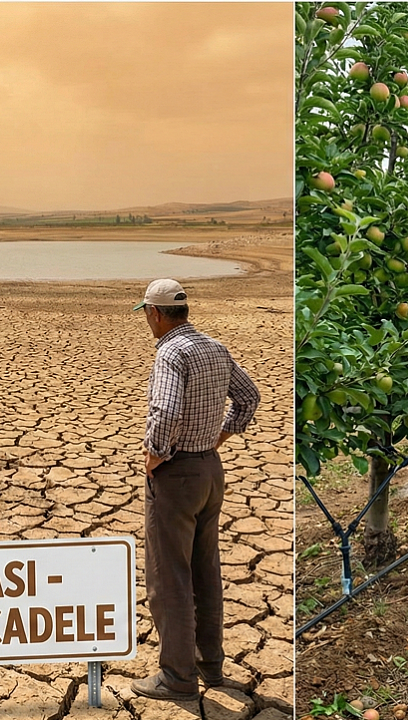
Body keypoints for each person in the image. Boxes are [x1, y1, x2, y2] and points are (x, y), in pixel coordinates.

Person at [129, 278, 260, 701]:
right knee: (205, 570)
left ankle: (177, 677)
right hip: (209, 470)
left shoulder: (171, 352)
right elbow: (249, 397)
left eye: (147, 314)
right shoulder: (214, 348)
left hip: (178, 474)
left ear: (154, 313)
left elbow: (166, 411)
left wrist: (155, 454)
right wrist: (221, 436)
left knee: (169, 576)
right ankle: (210, 665)